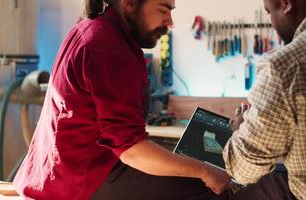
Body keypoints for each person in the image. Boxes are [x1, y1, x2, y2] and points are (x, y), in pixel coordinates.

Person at [14, 0, 231, 199]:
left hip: (57, 174)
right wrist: (205, 171)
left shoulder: (94, 30)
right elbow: (132, 151)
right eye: (164, 10)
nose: (170, 23)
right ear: (129, 4)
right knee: (210, 190)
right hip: (80, 183)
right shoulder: (108, 47)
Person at [223, 0, 306, 199]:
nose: (272, 23)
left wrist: (240, 130)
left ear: (286, 4)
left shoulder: (284, 67)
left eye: (269, 12)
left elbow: (243, 170)